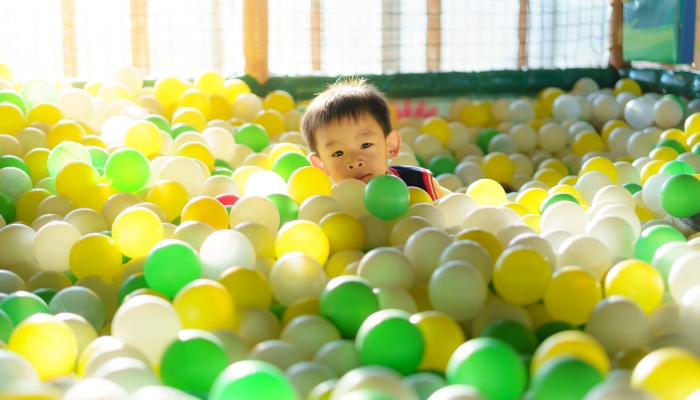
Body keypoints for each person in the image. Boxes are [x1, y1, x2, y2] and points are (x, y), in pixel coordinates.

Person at [299, 77, 450, 200]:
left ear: (390, 146)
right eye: (338, 153)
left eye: (365, 145)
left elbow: (458, 207)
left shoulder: (419, 183)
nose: (354, 161)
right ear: (321, 166)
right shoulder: (329, 206)